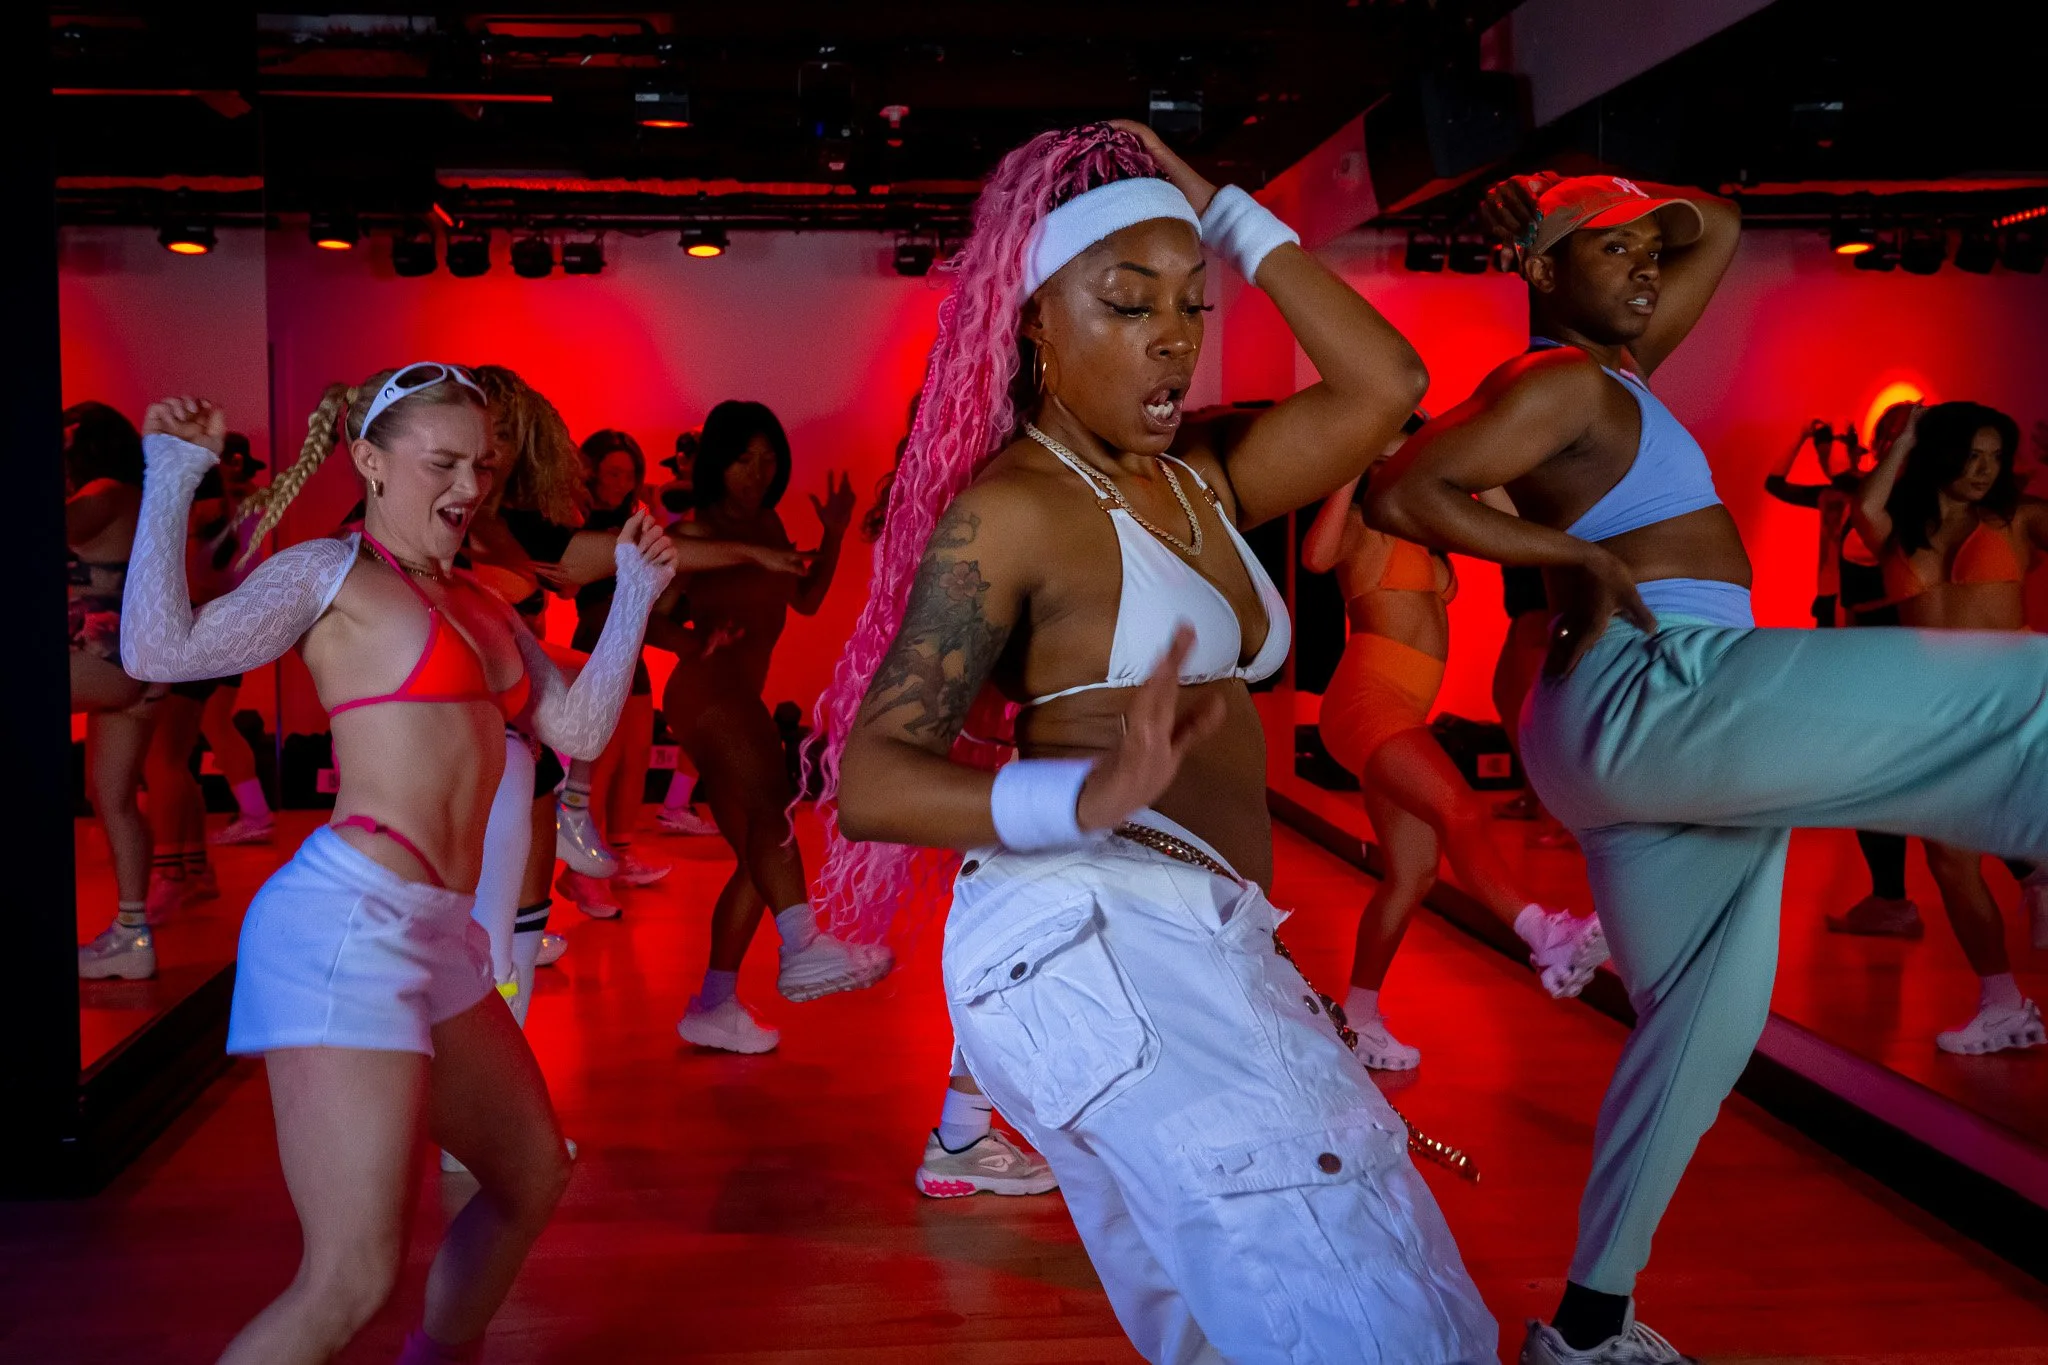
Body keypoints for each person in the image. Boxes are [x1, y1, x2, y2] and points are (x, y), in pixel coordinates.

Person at [824, 120, 1494, 1363]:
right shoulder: (1014, 509)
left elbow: (1385, 384)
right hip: (1100, 924)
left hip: (1179, 929)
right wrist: (1070, 799)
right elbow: (870, 776)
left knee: (1256, 1313)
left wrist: (1214, 203)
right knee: (1362, 1309)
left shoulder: (1199, 476)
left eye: (1194, 301)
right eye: (1128, 304)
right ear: (1032, 323)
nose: (1177, 335)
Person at [1367, 169, 2048, 1365]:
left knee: (1702, 1027)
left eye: (1648, 251)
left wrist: (1572, 205)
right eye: (1613, 249)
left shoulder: (1617, 372)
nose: (1644, 266)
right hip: (1658, 682)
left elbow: (1718, 222)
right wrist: (1559, 558)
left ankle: (1587, 1331)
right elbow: (1402, 487)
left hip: (1628, 729)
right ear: (1541, 270)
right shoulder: (1557, 377)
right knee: (2024, 685)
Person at [119, 370, 676, 1364]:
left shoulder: (482, 604)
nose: (470, 484)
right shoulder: (329, 574)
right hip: (346, 928)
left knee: (530, 1173)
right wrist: (172, 473)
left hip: (435, 935)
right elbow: (159, 648)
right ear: (370, 463)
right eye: (445, 462)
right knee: (349, 1278)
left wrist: (631, 596)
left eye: (483, 465)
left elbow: (581, 726)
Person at [1305, 415, 1606, 1069]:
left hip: (1402, 708)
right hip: (1365, 698)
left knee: (1411, 874)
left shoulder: (1431, 531)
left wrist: (1453, 457)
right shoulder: (1362, 526)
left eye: (1406, 454)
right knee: (1464, 809)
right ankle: (1543, 932)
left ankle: (1358, 1017)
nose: (1398, 463)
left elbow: (1512, 535)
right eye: (1387, 456)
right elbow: (1315, 556)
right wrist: (1355, 459)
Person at [659, 400, 893, 1054]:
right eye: (744, 459)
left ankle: (713, 1002)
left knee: (760, 855)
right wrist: (689, 641)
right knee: (775, 813)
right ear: (717, 462)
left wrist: (838, 530)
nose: (758, 473)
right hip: (709, 690)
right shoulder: (693, 529)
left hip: (736, 692)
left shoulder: (768, 522)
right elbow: (647, 613)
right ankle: (804, 947)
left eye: (769, 460)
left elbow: (807, 599)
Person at [1850, 399, 2048, 1049]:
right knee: (1949, 860)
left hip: (2019, 704)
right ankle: (2003, 1004)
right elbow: (1865, 508)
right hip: (1939, 715)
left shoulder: (2015, 519)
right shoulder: (1898, 529)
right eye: (1972, 454)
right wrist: (1904, 436)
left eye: (1996, 457)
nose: (1986, 469)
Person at [67, 402, 165, 979]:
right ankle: (132, 935)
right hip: (135, 665)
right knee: (114, 798)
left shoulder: (106, 490)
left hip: (106, 660)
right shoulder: (131, 494)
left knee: (116, 798)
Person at [199, 432, 278, 846]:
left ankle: (255, 813)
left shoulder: (229, 506)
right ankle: (252, 812)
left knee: (211, 720)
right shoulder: (249, 502)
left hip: (227, 618)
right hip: (234, 619)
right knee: (211, 720)